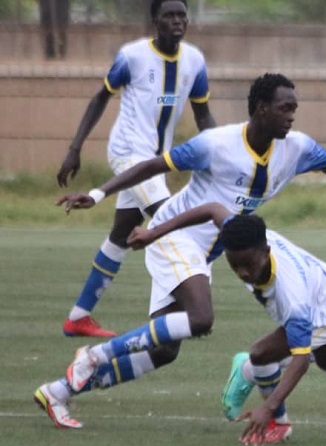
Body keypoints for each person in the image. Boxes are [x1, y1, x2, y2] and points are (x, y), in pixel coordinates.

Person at [34, 73, 326, 430]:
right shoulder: (215, 144)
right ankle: (94, 356)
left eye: (295, 108)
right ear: (262, 109)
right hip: (174, 235)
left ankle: (58, 392)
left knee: (163, 351)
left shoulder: (298, 148)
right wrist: (97, 194)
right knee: (201, 319)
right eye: (285, 108)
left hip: (205, 251)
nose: (292, 115)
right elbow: (154, 166)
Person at [125, 204, 326, 445]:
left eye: (248, 264)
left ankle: (278, 423)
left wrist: (268, 406)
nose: (243, 272)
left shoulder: (291, 296)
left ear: (266, 252)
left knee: (261, 355)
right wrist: (153, 233)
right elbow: (211, 209)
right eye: (235, 265)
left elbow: (300, 362)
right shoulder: (242, 233)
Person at [58, 0, 216, 338]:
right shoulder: (132, 56)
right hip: (129, 154)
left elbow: (203, 114)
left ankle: (78, 317)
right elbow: (100, 97)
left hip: (155, 161)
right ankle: (186, 312)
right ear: (155, 20)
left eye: (182, 15)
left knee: (121, 235)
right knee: (171, 222)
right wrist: (75, 148)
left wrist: (219, 151)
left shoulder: (194, 60)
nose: (177, 21)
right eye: (170, 15)